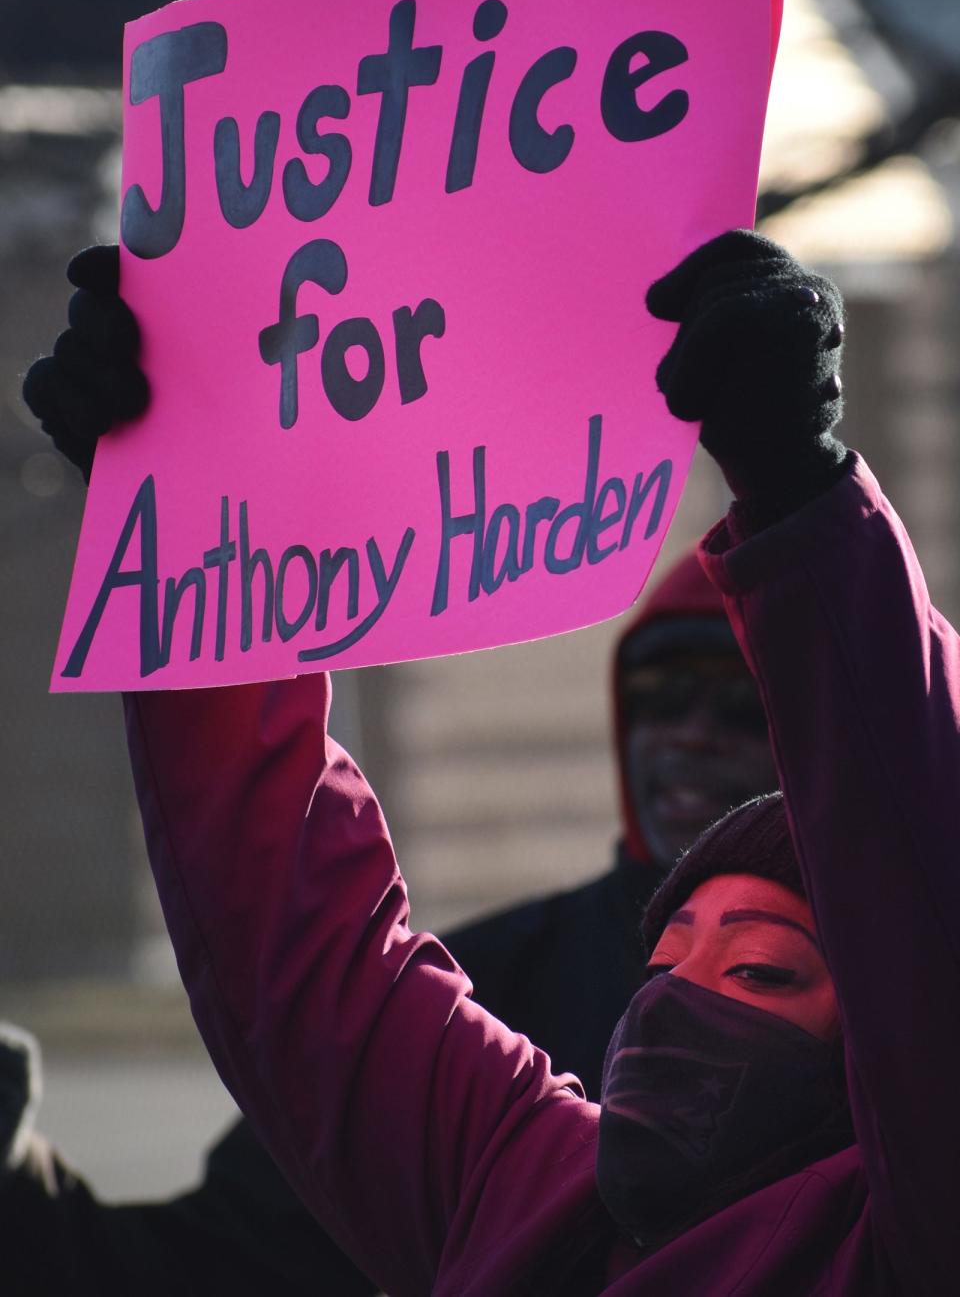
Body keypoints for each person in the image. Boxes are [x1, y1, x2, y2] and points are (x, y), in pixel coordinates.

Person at [29, 227, 953, 1292]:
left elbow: (919, 866)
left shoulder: (896, 1242)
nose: (669, 1009)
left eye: (761, 970)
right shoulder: (526, 1195)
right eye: (658, 971)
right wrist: (189, 503)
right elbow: (293, 940)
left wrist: (808, 497)